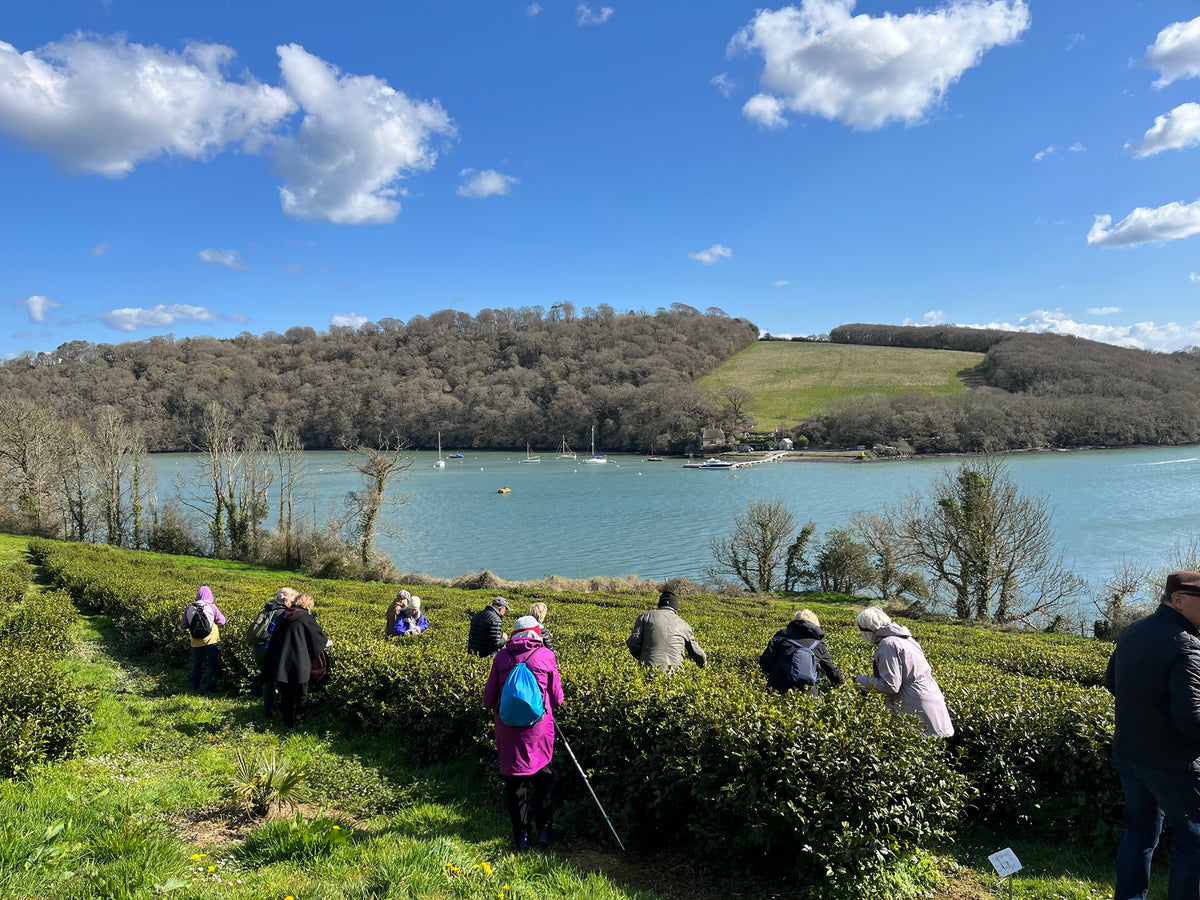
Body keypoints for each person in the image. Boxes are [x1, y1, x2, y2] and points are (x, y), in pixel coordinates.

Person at [1105, 570, 1200, 900]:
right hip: (1172, 763)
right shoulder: (1186, 646)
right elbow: (1192, 718)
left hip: (1129, 754)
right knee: (1193, 841)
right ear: (1178, 600)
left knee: (1139, 832)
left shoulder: (1133, 631)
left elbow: (1112, 683)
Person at [482, 615, 564, 850]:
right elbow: (557, 698)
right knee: (544, 778)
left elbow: (489, 699)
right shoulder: (546, 655)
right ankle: (544, 831)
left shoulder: (501, 657)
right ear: (536, 634)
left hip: (508, 731)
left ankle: (522, 836)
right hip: (539, 731)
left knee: (516, 783)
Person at [852, 606, 953, 737]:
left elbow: (890, 685)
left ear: (868, 630)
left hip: (914, 704)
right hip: (931, 697)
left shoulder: (888, 645)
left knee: (917, 745)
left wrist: (859, 681)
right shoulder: (907, 640)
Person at [263, 593, 332, 728]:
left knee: (286, 694)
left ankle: (288, 723)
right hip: (299, 662)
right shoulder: (306, 618)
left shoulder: (283, 616)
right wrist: (328, 643)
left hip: (282, 662)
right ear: (309, 604)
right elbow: (317, 638)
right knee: (301, 693)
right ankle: (300, 722)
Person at [758, 608, 844, 694]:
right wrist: (843, 681)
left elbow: (765, 663)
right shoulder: (818, 644)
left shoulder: (781, 636)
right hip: (807, 693)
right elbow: (832, 671)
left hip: (777, 689)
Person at [626, 588, 706, 672]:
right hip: (675, 672)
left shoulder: (646, 616)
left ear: (660, 605)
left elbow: (634, 642)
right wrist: (703, 664)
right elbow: (696, 652)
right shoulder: (684, 625)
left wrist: (644, 657)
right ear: (676, 608)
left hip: (649, 669)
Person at [248, 586, 298, 716]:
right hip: (270, 651)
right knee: (279, 682)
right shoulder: (282, 613)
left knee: (268, 681)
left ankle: (268, 711)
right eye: (292, 601)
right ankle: (279, 711)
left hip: (258, 649)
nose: (293, 604)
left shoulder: (268, 608)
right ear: (286, 600)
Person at [179, 585, 226, 695]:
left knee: (197, 664)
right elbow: (222, 621)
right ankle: (209, 689)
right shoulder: (212, 607)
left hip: (196, 641)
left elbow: (183, 625)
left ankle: (194, 687)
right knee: (212, 664)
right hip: (211, 640)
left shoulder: (190, 608)